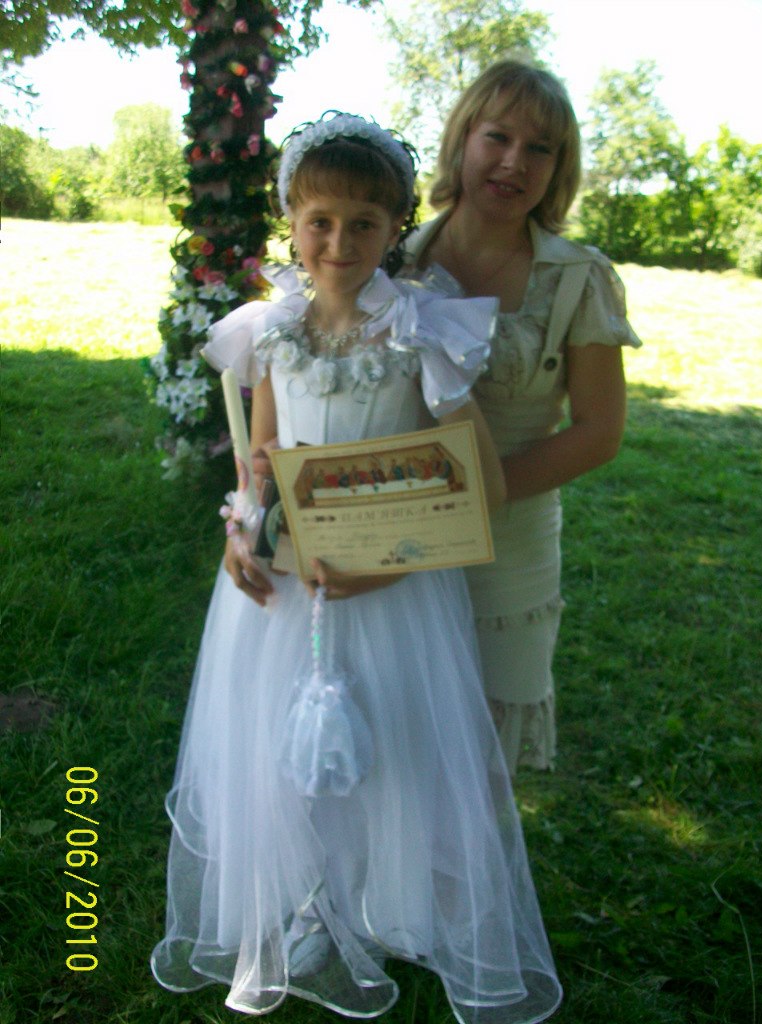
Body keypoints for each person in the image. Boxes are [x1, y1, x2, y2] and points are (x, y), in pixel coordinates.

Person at [151, 112, 562, 1024]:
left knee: (391, 748)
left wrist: (391, 565)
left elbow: (477, 479)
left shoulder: (422, 331)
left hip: (394, 589)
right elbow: (262, 460)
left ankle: (383, 901)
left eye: (364, 223)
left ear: (394, 227)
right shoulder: (272, 330)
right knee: (279, 748)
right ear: (292, 223)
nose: (339, 243)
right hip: (281, 589)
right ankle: (304, 899)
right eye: (321, 221)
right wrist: (240, 532)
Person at [399, 59, 642, 776]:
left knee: (478, 767)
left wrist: (478, 493)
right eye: (498, 137)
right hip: (390, 537)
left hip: (509, 555)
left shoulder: (578, 279)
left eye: (540, 148)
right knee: (392, 745)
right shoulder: (389, 260)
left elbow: (599, 432)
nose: (515, 162)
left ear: (559, 169)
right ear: (462, 139)